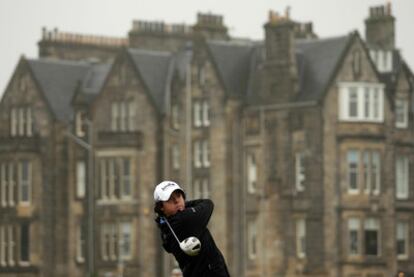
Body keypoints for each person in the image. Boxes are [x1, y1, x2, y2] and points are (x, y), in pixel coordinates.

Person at [154, 180, 230, 277]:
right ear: (161, 207)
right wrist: (183, 205)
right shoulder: (185, 219)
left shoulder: (165, 225)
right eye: (170, 199)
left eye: (179, 196)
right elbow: (208, 204)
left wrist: (181, 206)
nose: (177, 201)